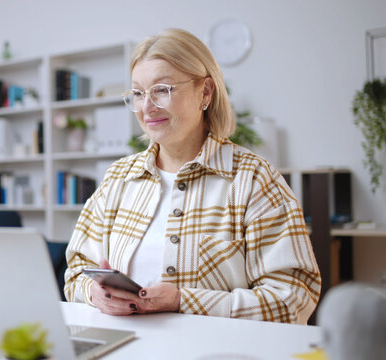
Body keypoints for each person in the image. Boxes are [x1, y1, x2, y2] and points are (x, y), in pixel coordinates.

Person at [64, 28, 321, 324]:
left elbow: (293, 298)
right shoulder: (118, 178)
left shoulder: (254, 178)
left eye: (162, 90)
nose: (147, 107)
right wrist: (94, 293)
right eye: (137, 93)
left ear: (206, 92)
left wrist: (181, 300)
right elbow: (75, 273)